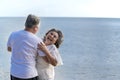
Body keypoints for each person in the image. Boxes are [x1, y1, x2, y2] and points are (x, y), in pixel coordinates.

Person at [7, 14, 45, 80]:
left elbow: (9, 49)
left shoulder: (13, 34)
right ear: (35, 28)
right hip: (29, 74)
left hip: (14, 72)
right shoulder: (38, 40)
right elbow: (42, 57)